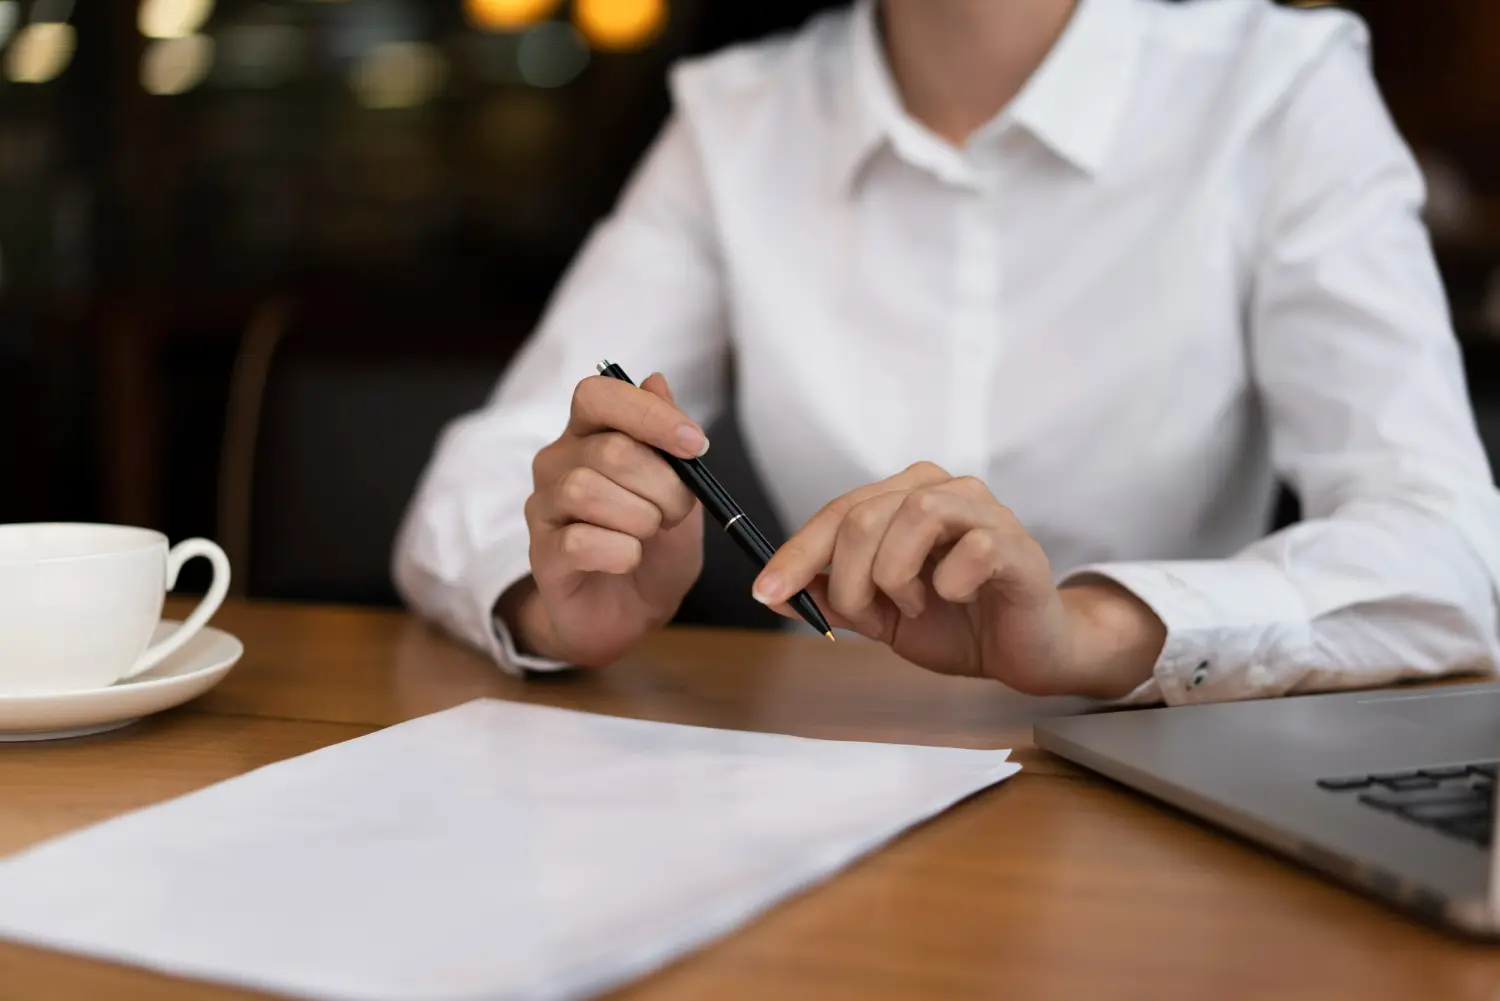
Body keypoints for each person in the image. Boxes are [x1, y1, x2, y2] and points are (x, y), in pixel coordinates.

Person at [394, 0, 1500, 706]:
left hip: (1163, 817)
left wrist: (1093, 629)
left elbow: (1453, 547)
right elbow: (486, 475)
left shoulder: (1281, 88)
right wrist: (563, 594)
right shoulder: (735, 119)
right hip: (833, 801)